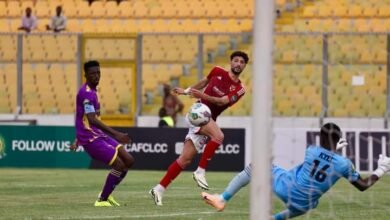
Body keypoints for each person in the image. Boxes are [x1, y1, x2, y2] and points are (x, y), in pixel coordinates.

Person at [201, 123, 390, 219]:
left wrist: (333, 149)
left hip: (287, 188)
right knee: (312, 201)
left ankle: (222, 199)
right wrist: (381, 169)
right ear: (339, 138)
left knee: (256, 166)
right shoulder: (344, 164)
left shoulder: (311, 150)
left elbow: (323, 153)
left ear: (320, 138)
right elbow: (363, 186)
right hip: (303, 205)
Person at [149, 51, 249, 206]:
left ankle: (158, 189)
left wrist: (201, 94)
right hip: (199, 111)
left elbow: (222, 101)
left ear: (244, 66)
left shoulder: (240, 88)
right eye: (236, 60)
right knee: (219, 137)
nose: (238, 64)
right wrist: (187, 91)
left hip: (208, 118)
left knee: (184, 159)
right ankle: (200, 171)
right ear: (230, 62)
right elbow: (203, 82)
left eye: (242, 62)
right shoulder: (217, 71)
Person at [71, 60, 134, 207]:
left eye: (98, 73)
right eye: (92, 73)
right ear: (86, 75)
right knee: (119, 164)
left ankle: (107, 193)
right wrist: (116, 134)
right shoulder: (86, 94)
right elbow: (92, 120)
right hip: (90, 138)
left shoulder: (93, 92)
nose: (96, 76)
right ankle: (102, 200)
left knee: (129, 160)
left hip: (97, 134)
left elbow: (83, 117)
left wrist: (76, 138)